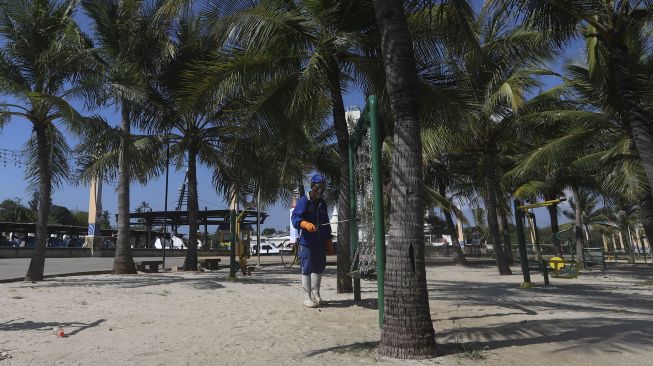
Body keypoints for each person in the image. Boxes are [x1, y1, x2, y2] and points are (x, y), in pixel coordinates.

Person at [291, 174, 333, 308]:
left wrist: (328, 241)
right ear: (313, 186)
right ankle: (306, 297)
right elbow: (295, 218)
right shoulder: (304, 201)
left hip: (320, 242)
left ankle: (316, 294)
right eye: (319, 186)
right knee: (307, 268)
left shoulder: (322, 203)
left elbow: (326, 222)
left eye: (323, 186)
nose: (321, 189)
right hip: (307, 242)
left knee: (319, 267)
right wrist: (305, 224)